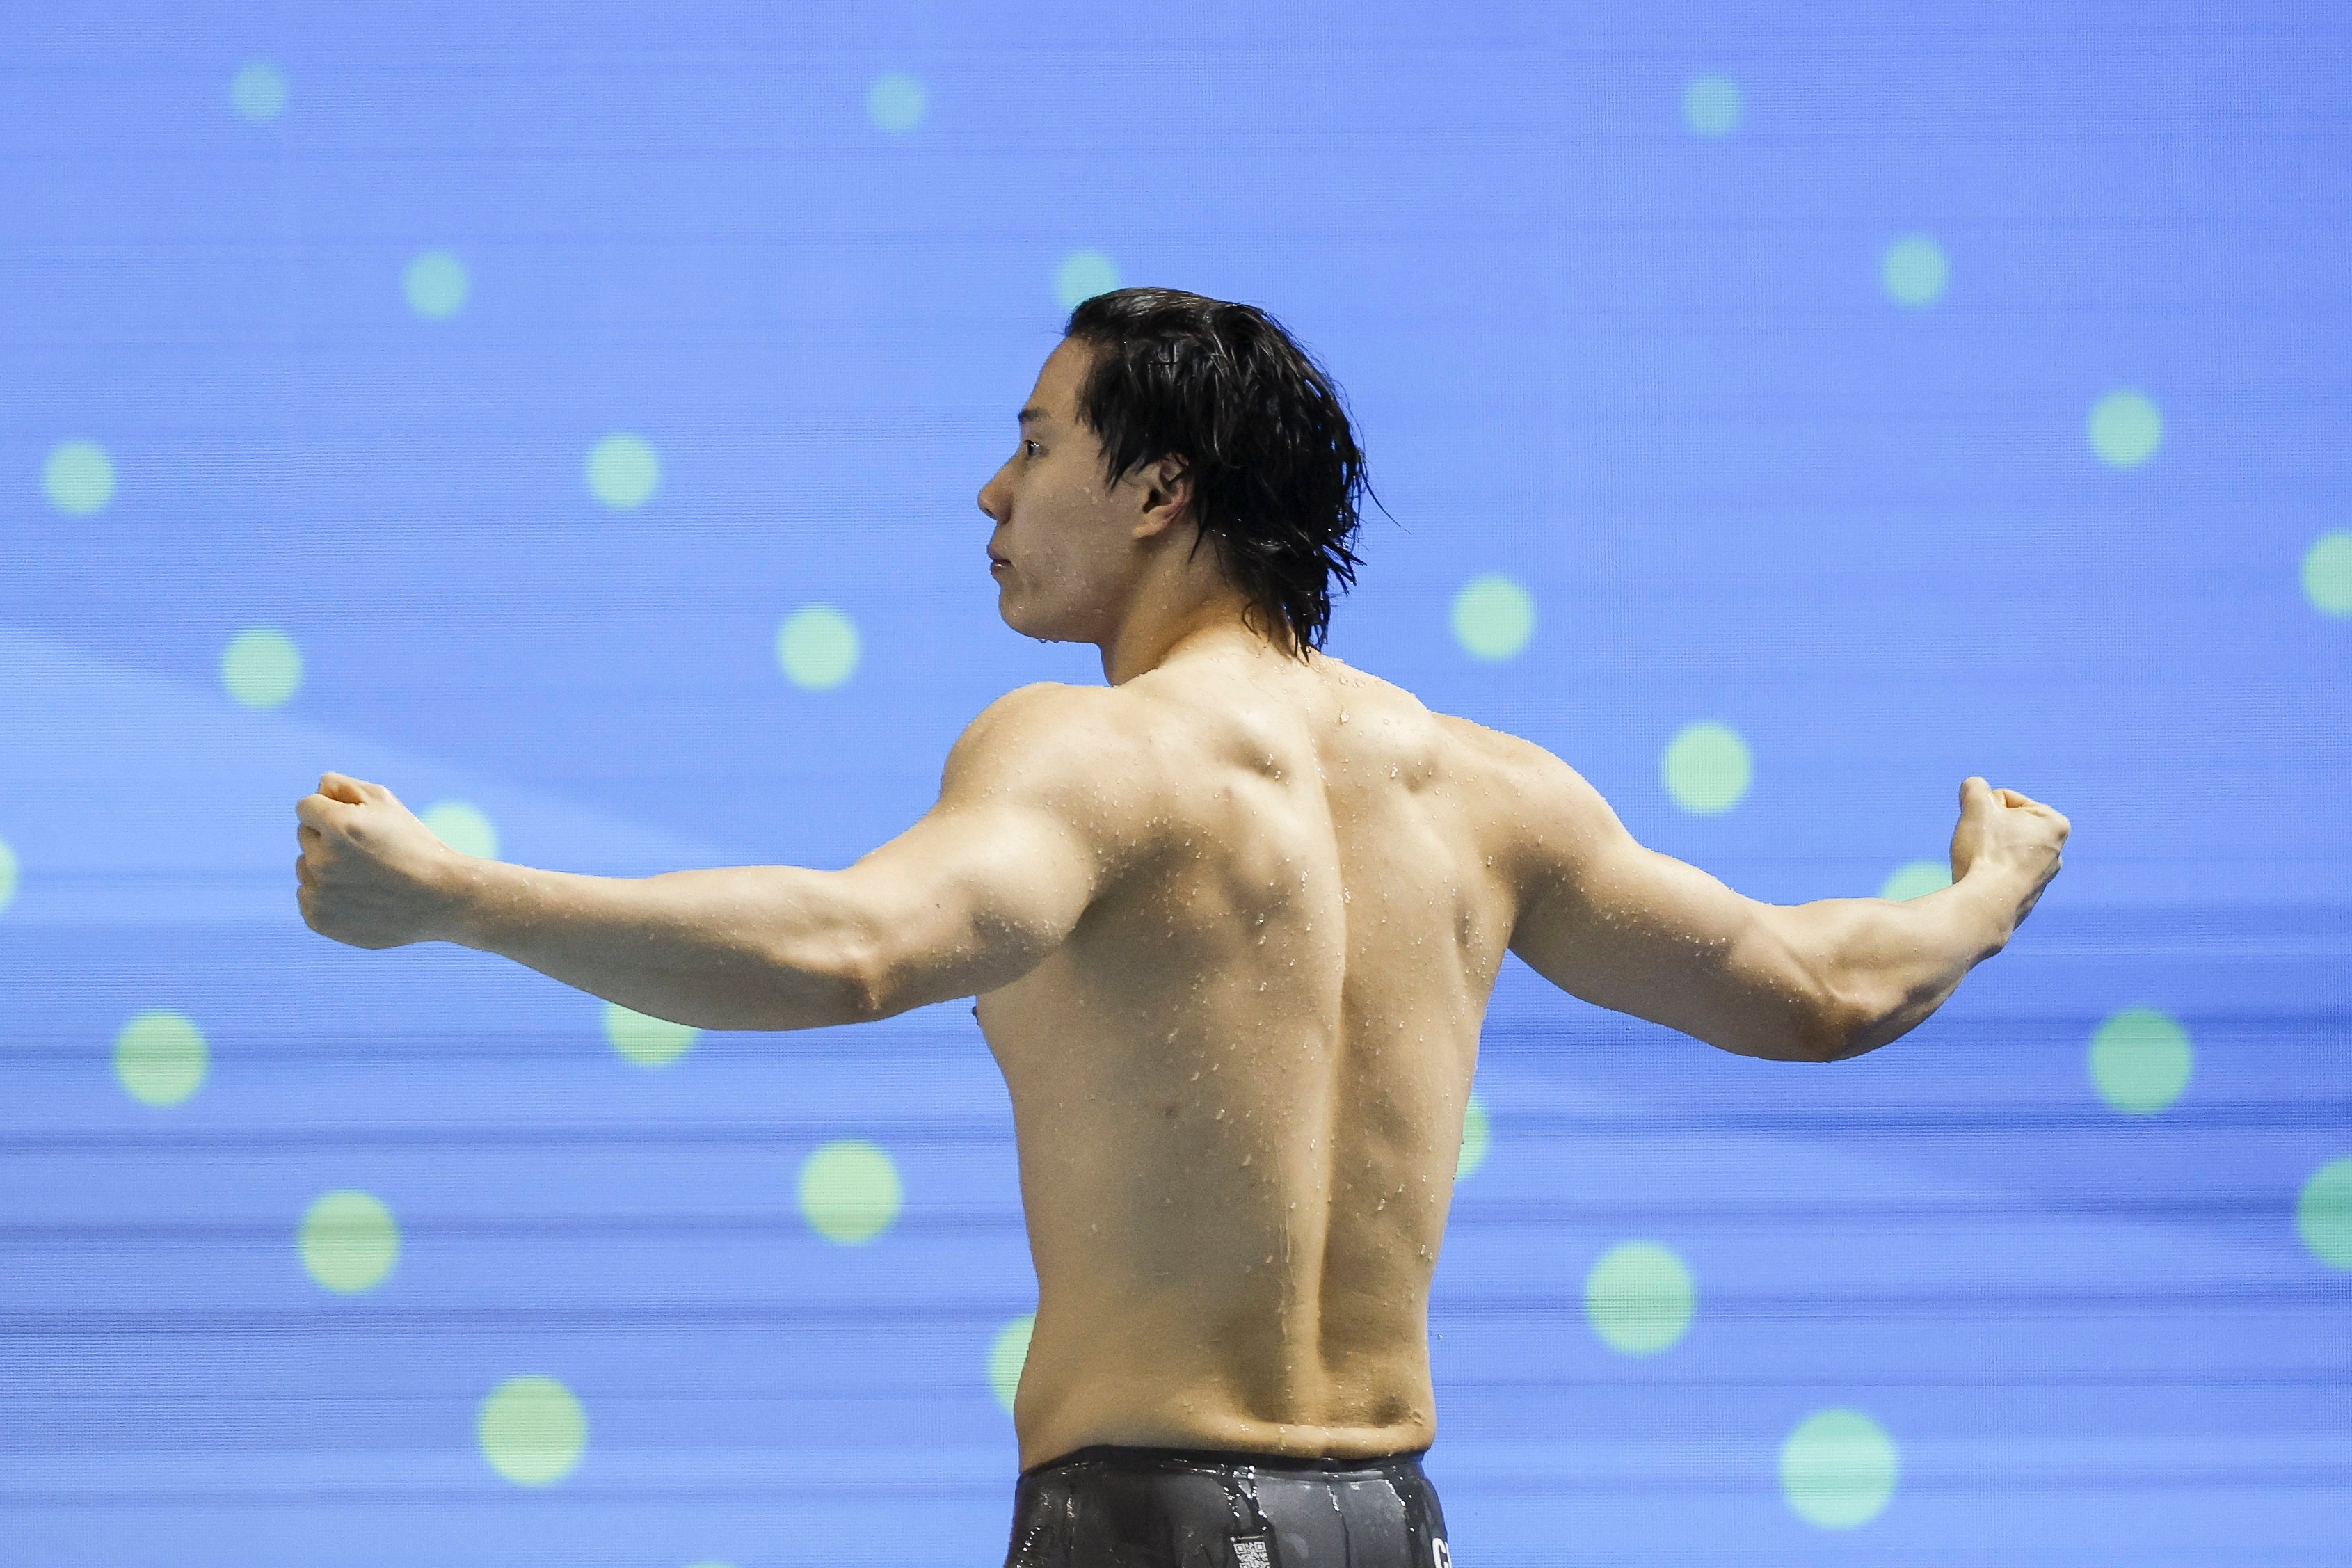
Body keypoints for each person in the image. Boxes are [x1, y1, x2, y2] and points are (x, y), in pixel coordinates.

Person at [294, 287, 2069, 1566]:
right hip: (1397, 1521)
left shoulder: (1094, 756)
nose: (990, 495)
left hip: (1137, 1524)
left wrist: (466, 896)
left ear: (1157, 492)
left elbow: (857, 945)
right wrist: (1984, 888)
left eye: (1032, 443)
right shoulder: (1489, 790)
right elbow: (1825, 990)